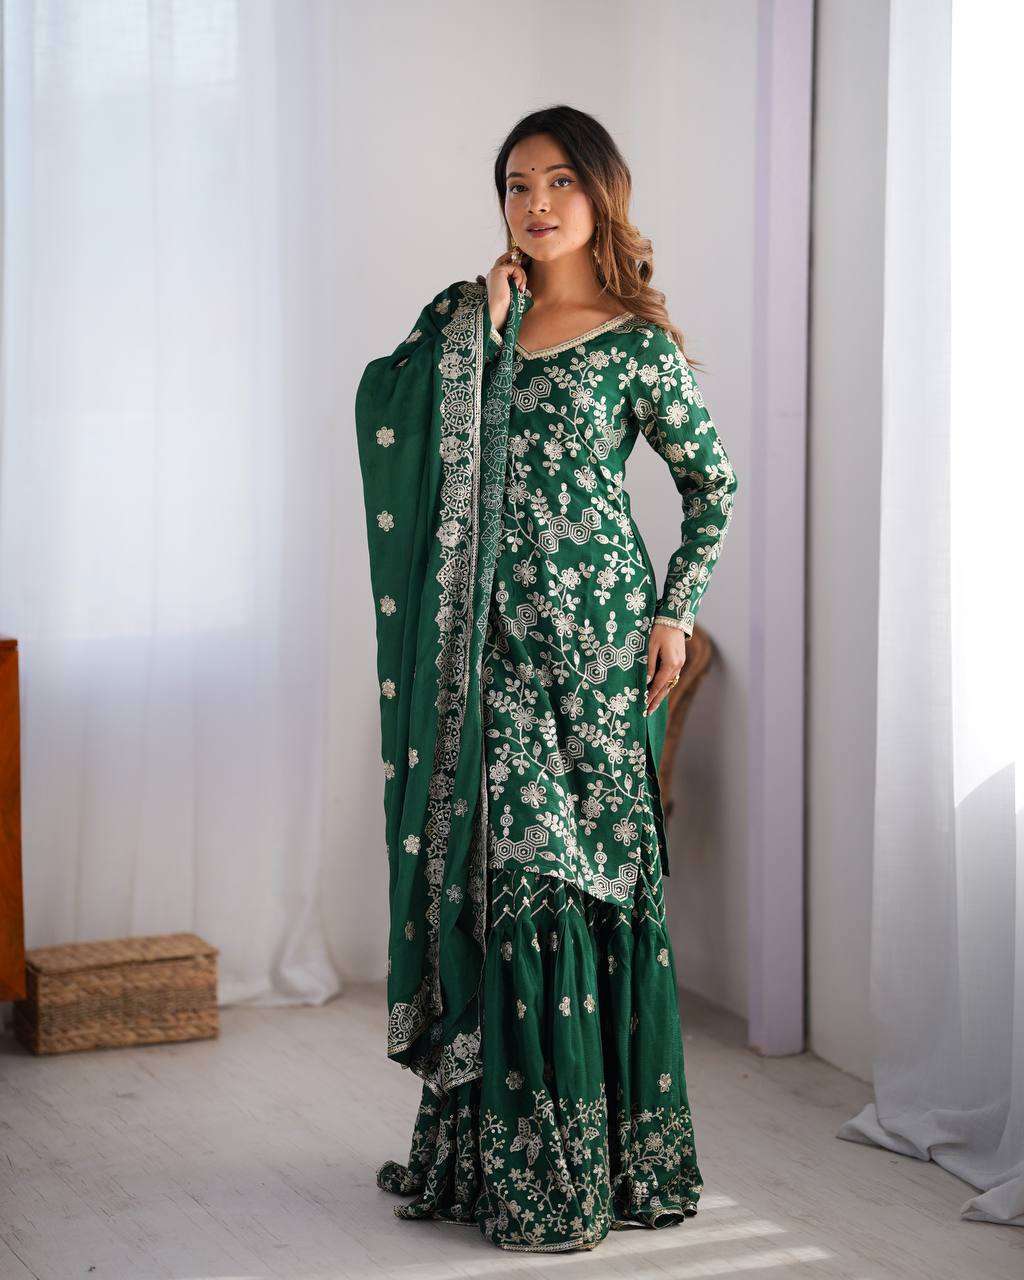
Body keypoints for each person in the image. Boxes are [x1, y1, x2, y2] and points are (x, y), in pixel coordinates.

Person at [354, 104, 739, 1254]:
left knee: (600, 880)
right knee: (518, 878)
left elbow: (712, 485)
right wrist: (474, 325)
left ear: (600, 192)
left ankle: (611, 1157)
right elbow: (388, 409)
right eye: (517, 184)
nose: (535, 203)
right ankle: (524, 1171)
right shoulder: (474, 323)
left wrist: (675, 609)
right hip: (493, 656)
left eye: (559, 180)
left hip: (601, 652)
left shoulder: (635, 344)